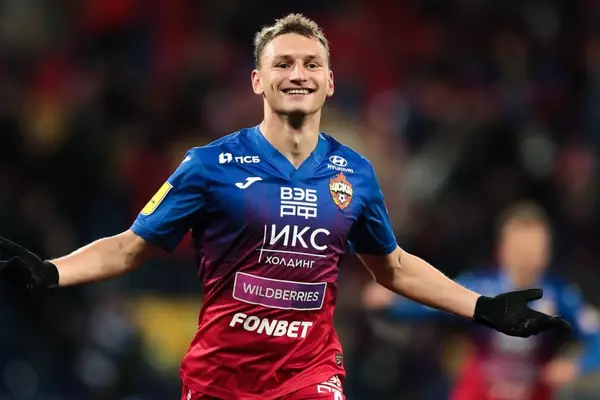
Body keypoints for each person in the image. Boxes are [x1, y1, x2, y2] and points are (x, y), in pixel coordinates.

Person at [0, 14, 570, 400]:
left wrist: (483, 308)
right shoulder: (209, 166)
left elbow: (393, 267)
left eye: (311, 64)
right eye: (283, 63)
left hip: (309, 374)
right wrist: (52, 270)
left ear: (329, 83)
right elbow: (130, 248)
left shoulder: (354, 174)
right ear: (257, 80)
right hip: (220, 379)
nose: (298, 73)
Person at [363, 201, 600, 400]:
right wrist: (392, 304)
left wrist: (575, 365)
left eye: (535, 246)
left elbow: (596, 336)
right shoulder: (480, 287)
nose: (528, 254)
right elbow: (432, 305)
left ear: (546, 251)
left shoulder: (560, 294)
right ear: (503, 248)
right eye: (521, 245)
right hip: (479, 393)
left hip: (534, 392)